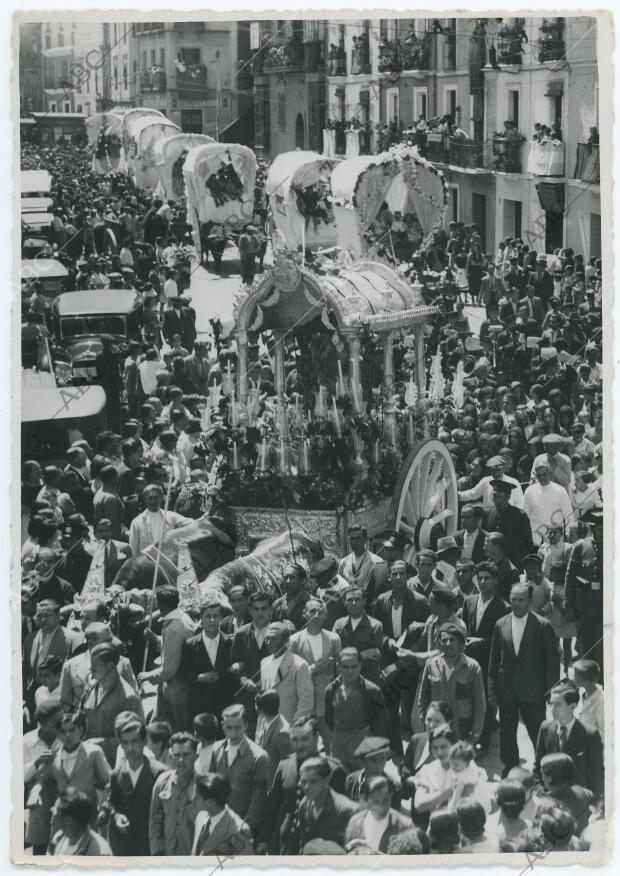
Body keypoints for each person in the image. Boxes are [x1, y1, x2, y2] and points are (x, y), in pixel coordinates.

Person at [488, 583, 560, 776]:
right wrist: (492, 688)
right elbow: (494, 660)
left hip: (534, 691)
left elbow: (552, 662)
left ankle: (544, 774)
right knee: (507, 736)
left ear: (529, 601)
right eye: (513, 599)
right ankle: (510, 773)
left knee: (538, 734)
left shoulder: (543, 625)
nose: (516, 604)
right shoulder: (500, 624)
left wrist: (551, 691)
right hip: (507, 690)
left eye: (521, 600)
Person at [460, 561, 510, 750]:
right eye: (479, 578)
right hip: (469, 661)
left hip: (489, 663)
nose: (482, 582)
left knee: (486, 704)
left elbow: (503, 642)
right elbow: (462, 629)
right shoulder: (469, 601)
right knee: (467, 700)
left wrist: (482, 642)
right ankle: (467, 739)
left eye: (487, 578)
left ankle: (482, 742)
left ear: (495, 581)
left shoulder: (503, 607)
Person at [534, 681, 604, 802]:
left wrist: (593, 806)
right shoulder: (545, 728)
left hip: (579, 803)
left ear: (573, 706)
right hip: (550, 801)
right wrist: (541, 791)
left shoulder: (590, 734)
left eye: (558, 705)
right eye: (551, 704)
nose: (553, 709)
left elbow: (597, 776)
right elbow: (537, 767)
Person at [108, 716, 168, 855]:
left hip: (151, 849)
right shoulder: (116, 774)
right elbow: (113, 802)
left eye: (134, 741)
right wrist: (117, 816)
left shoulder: (161, 773)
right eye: (125, 742)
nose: (130, 747)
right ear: (121, 745)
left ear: (144, 742)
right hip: (124, 849)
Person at [138, 585, 195, 732]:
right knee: (156, 725)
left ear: (159, 604)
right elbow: (174, 647)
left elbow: (169, 669)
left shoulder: (174, 628)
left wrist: (148, 675)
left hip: (176, 691)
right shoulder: (180, 616)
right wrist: (156, 639)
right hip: (169, 688)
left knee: (178, 732)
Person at [417, 622, 486, 743]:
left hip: (462, 727)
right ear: (439, 643)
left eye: (452, 640)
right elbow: (423, 695)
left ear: (460, 643)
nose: (448, 643)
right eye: (444, 640)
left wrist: (476, 731)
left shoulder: (473, 667)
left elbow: (479, 703)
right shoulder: (431, 665)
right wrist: (423, 719)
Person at [208, 704, 270, 836]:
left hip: (243, 831)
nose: (234, 733)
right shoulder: (216, 750)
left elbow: (258, 801)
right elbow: (211, 789)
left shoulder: (259, 757)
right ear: (222, 725)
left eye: (238, 727)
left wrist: (244, 829)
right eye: (229, 727)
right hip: (218, 826)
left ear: (246, 726)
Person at [289, 598, 341, 752]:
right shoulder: (295, 640)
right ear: (304, 614)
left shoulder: (334, 639)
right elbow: (290, 674)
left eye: (320, 612)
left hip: (327, 703)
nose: (316, 615)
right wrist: (311, 669)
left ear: (326, 615)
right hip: (304, 703)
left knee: (332, 745)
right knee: (306, 746)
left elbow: (340, 671)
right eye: (312, 611)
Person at [324, 648, 388, 772]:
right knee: (340, 779)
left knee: (363, 781)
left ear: (360, 666)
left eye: (354, 666)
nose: (350, 671)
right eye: (345, 667)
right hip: (339, 745)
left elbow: (382, 722)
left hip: (363, 743)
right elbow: (328, 719)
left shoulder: (372, 691)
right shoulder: (331, 690)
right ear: (338, 667)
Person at [80, 642, 144, 763]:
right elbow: (81, 719)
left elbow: (137, 738)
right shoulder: (91, 687)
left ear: (109, 666)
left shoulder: (128, 698)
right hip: (88, 760)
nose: (90, 670)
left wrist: (101, 743)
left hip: (114, 763)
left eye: (95, 667)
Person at [564, 509, 604, 677]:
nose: (603, 533)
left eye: (605, 528)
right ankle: (588, 681)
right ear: (592, 529)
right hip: (585, 607)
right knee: (585, 646)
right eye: (599, 529)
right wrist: (569, 606)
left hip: (605, 607)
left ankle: (602, 683)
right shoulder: (580, 546)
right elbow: (570, 576)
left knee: (603, 646)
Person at [149, 731, 202, 856]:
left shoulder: (204, 786)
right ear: (171, 756)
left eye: (186, 755)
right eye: (177, 755)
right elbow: (154, 821)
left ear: (196, 756)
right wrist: (157, 852)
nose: (181, 760)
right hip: (167, 856)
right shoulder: (162, 782)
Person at [181, 598, 234, 723]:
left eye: (215, 616)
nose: (212, 620)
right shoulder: (191, 644)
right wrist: (199, 677)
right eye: (207, 616)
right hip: (200, 705)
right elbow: (183, 671)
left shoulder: (229, 643)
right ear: (201, 618)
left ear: (221, 617)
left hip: (225, 705)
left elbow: (233, 672)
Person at [297, 756, 358, 853]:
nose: (307, 787)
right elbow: (304, 843)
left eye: (313, 781)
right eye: (304, 782)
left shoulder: (348, 811)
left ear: (326, 781)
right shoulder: (304, 805)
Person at [344, 775, 410, 854]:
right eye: (376, 802)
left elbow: (407, 861)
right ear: (367, 800)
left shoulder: (405, 826)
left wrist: (371, 851)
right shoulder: (355, 823)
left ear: (391, 796)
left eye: (385, 800)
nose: (382, 806)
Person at [192, 773, 254, 856]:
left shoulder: (239, 831)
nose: (192, 798)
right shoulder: (201, 817)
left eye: (197, 797)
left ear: (210, 802)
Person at [333, 586, 384, 685]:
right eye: (350, 600)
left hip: (368, 682)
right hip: (344, 682)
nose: (353, 603)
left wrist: (345, 659)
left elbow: (374, 659)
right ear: (344, 602)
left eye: (357, 599)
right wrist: (361, 655)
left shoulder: (375, 626)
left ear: (364, 601)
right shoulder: (338, 625)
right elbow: (334, 654)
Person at [482, 480, 534, 567]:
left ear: (508, 497)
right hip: (490, 564)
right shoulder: (487, 513)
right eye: (494, 496)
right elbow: (483, 538)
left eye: (499, 496)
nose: (495, 499)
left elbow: (527, 544)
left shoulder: (520, 516)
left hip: (512, 563)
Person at [49, 788, 112, 856]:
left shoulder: (100, 852)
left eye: (55, 810)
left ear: (68, 820)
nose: (52, 812)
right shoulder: (59, 838)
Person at [523, 460, 573, 546]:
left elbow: (568, 513)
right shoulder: (529, 491)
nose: (542, 478)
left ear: (550, 473)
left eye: (544, 474)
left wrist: (568, 534)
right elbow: (524, 515)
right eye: (539, 475)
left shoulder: (560, 490)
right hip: (536, 539)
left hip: (556, 538)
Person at [338, 526, 388, 608]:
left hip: (368, 609)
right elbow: (338, 588)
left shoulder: (377, 562)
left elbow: (379, 590)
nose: (355, 542)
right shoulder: (343, 562)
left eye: (358, 538)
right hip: (348, 608)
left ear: (365, 540)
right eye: (352, 539)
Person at [254, 689, 292, 782]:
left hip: (274, 786)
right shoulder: (264, 722)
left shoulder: (282, 733)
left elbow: (289, 765)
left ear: (258, 709)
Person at [272, 563, 312, 630]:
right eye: (285, 577)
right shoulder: (277, 604)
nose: (288, 581)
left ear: (302, 581)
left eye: (292, 577)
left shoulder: (313, 603)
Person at [573, 659, 604, 743]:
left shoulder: (601, 701)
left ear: (584, 680)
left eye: (575, 676)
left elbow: (604, 733)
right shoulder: (582, 692)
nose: (573, 678)